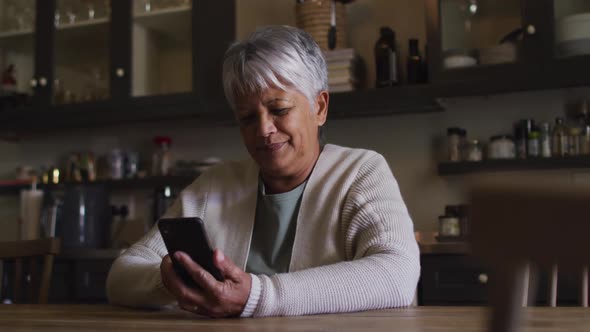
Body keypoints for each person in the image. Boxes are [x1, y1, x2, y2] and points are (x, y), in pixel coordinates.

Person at [106, 25, 420, 318]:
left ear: (320, 108)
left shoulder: (361, 173)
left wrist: (257, 296)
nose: (263, 130)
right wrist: (168, 280)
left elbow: (398, 273)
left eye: (279, 110)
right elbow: (121, 275)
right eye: (247, 118)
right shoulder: (214, 186)